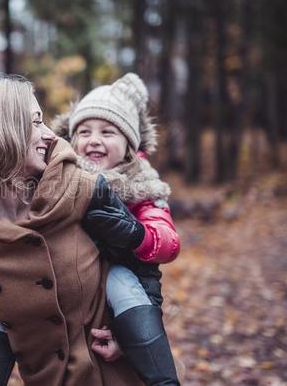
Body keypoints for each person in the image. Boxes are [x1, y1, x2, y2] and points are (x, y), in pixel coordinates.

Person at [0, 75, 145, 385]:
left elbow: (140, 264)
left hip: (115, 371)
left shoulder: (81, 190)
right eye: (36, 123)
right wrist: (9, 324)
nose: (50, 135)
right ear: (3, 130)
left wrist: (131, 335)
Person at [54, 72, 181, 383]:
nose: (94, 139)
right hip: (64, 295)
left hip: (119, 304)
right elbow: (14, 183)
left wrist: (137, 233)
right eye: (84, 131)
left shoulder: (141, 187)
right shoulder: (55, 177)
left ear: (128, 145)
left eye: (107, 131)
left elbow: (167, 241)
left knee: (121, 277)